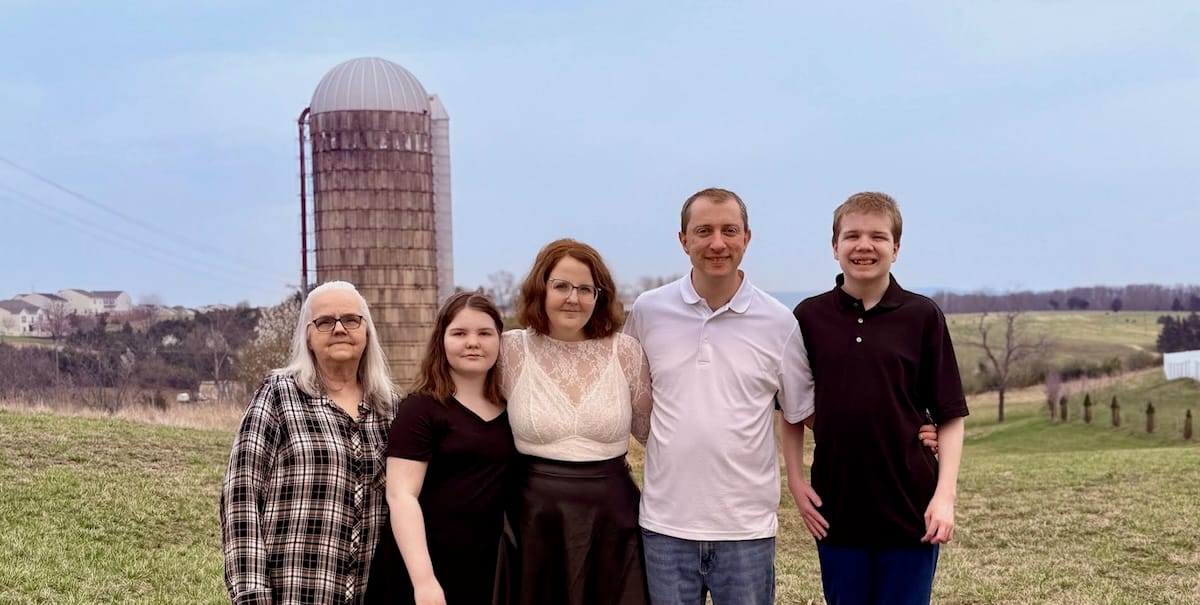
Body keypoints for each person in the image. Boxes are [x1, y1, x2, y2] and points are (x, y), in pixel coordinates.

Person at [625, 187, 939, 604]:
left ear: (747, 238)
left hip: (746, 529)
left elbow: (805, 411)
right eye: (703, 231)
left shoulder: (779, 322)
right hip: (664, 526)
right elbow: (630, 397)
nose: (717, 242)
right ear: (683, 240)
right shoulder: (648, 311)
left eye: (729, 230)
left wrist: (910, 426)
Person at [791, 191, 968, 605]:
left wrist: (945, 497)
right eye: (852, 235)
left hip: (911, 508)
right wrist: (796, 481)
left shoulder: (923, 315)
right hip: (837, 507)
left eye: (878, 236)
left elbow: (950, 414)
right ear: (835, 247)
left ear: (896, 248)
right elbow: (793, 408)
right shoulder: (808, 317)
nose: (864, 245)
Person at [220, 280, 397, 605]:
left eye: (351, 319)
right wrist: (251, 593)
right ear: (308, 337)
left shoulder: (390, 409)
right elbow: (241, 495)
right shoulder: (278, 394)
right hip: (294, 592)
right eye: (325, 322)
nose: (340, 329)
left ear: (367, 332)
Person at [497, 238, 653, 604]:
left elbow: (653, 434)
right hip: (533, 516)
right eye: (562, 286)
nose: (573, 298)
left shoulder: (626, 351)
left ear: (599, 296)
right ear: (541, 288)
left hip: (613, 516)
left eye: (586, 289)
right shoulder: (511, 350)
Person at [365, 291, 515, 605]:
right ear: (442, 341)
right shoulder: (421, 408)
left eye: (484, 333)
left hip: (486, 566)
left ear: (500, 340)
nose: (473, 342)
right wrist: (424, 582)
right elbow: (401, 495)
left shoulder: (513, 409)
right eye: (460, 333)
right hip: (424, 566)